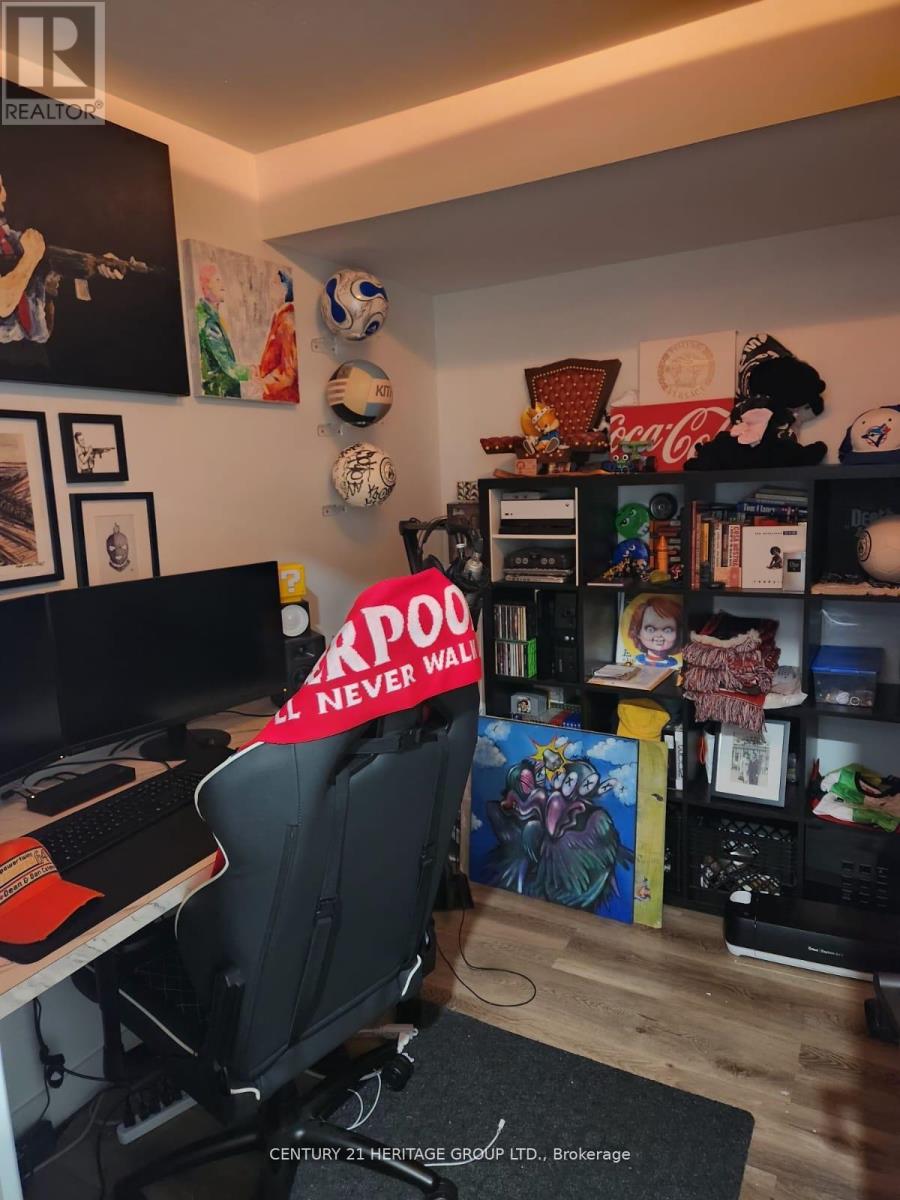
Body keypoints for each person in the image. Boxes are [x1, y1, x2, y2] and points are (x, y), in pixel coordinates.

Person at [0, 172, 124, 363]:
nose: (3, 195)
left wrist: (97, 263)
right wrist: (31, 258)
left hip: (35, 355)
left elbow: (52, 261)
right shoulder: (24, 246)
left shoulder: (13, 240)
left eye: (1, 187)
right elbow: (3, 304)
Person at [195, 262, 258, 397]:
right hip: (220, 393)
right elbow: (227, 366)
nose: (223, 285)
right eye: (217, 280)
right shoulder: (208, 322)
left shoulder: (208, 315)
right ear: (206, 286)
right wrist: (252, 372)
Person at [258, 269, 299, 403]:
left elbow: (288, 373)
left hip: (282, 397)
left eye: (275, 283)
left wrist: (263, 386)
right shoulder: (279, 317)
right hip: (275, 398)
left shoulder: (287, 320)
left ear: (285, 289)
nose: (270, 288)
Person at [628, 595, 682, 668]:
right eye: (650, 629)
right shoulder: (635, 661)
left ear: (678, 634)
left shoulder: (676, 665)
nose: (659, 635)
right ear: (638, 632)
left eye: (668, 630)